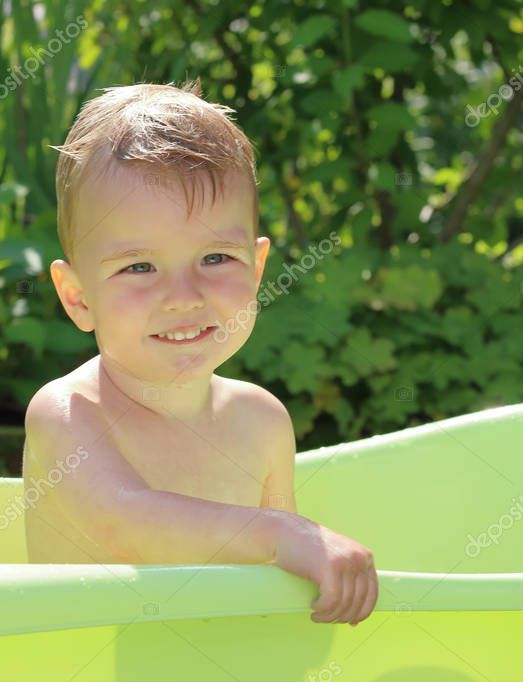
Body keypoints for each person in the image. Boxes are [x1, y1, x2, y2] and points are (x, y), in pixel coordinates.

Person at [23, 79, 377, 625]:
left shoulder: (261, 421)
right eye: (139, 267)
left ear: (257, 271)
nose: (183, 297)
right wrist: (288, 535)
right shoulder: (68, 413)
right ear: (78, 297)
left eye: (215, 258)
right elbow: (127, 524)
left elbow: (276, 597)